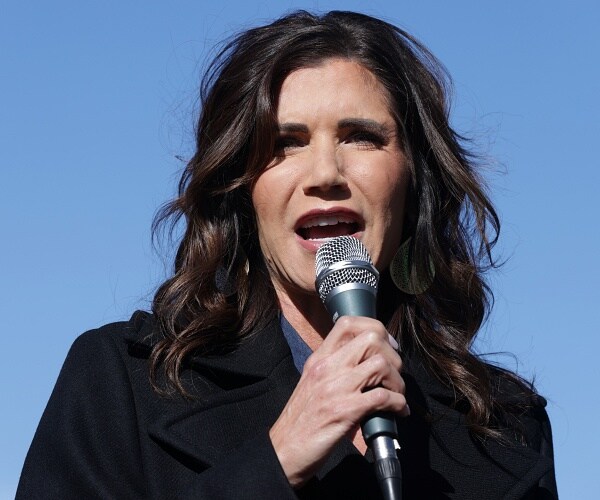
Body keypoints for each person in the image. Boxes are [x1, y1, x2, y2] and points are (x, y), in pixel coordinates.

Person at [17, 10, 557, 499]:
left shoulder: (506, 425)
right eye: (285, 143)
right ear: (241, 188)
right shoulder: (122, 384)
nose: (325, 173)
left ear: (415, 179)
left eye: (361, 136)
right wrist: (276, 461)